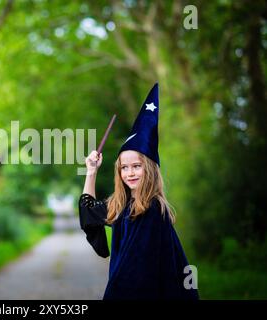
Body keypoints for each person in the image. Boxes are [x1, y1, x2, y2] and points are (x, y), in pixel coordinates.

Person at [79, 83, 199, 300]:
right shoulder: (121, 204)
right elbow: (89, 212)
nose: (130, 173)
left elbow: (134, 272)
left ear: (150, 169)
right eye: (124, 167)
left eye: (137, 166)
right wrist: (91, 172)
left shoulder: (152, 209)